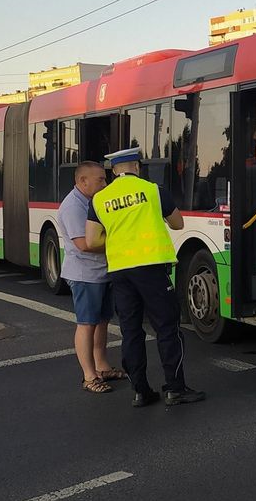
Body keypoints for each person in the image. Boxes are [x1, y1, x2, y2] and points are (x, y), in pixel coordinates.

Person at [85, 146, 205, 408]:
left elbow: (92, 240)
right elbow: (178, 224)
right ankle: (175, 389)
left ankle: (140, 391)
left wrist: (119, 238)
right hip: (152, 269)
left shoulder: (99, 199)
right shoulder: (153, 191)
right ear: (137, 167)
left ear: (114, 171)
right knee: (167, 328)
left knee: (131, 331)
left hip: (120, 272)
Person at [59, 161, 126, 394]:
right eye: (101, 179)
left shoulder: (93, 201)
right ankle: (89, 376)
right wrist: (120, 242)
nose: (105, 183)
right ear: (83, 181)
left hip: (101, 272)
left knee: (102, 321)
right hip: (85, 274)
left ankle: (102, 366)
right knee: (87, 324)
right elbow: (84, 244)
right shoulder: (73, 206)